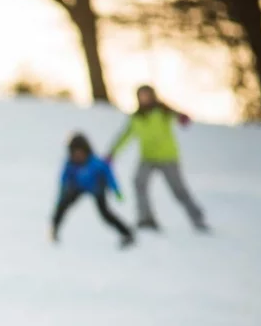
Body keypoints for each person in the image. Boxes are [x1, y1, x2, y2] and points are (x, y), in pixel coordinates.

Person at [106, 84, 209, 232]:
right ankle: (146, 219)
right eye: (141, 96)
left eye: (146, 95)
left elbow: (178, 116)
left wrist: (182, 118)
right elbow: (125, 136)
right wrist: (112, 153)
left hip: (167, 157)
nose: (144, 98)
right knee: (138, 182)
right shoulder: (136, 118)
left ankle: (197, 217)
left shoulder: (162, 111)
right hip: (148, 157)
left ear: (152, 96)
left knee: (178, 190)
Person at [51, 133, 134, 249]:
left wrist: (116, 191)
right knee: (63, 206)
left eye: (80, 154)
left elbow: (109, 175)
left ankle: (127, 233)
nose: (78, 157)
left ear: (86, 151)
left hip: (96, 189)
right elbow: (64, 181)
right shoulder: (70, 164)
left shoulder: (96, 163)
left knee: (105, 214)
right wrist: (62, 195)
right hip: (79, 187)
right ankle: (53, 230)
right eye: (75, 154)